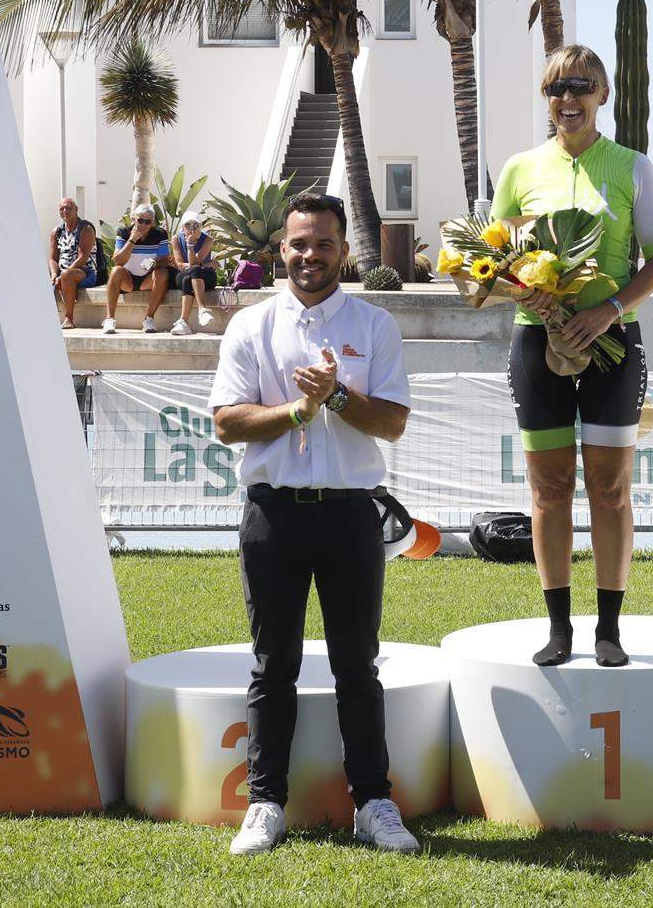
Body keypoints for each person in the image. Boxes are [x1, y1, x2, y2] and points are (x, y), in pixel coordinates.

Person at [210, 193, 417, 856]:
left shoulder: (373, 325)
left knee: (357, 665)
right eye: (298, 244)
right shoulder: (251, 327)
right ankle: (265, 803)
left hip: (351, 515)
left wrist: (335, 397)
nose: (309, 256)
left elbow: (391, 422)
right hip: (273, 515)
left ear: (342, 251)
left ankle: (373, 802)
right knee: (274, 665)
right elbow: (226, 423)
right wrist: (300, 411)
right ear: (281, 250)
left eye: (322, 244)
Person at [492, 44, 653, 668]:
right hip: (536, 338)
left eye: (580, 87)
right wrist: (538, 304)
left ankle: (610, 630)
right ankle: (559, 629)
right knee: (548, 489)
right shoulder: (519, 169)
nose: (567, 99)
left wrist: (609, 311)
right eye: (555, 89)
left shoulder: (633, 167)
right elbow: (493, 260)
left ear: (602, 95)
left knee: (609, 486)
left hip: (612, 340)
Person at [103, 204, 170, 335]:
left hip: (147, 279)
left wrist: (155, 263)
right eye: (140, 220)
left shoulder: (160, 234)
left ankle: (149, 318)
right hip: (127, 280)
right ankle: (109, 319)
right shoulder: (123, 232)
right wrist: (132, 240)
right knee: (116, 270)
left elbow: (165, 260)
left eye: (147, 221)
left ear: (152, 223)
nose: (143, 225)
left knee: (162, 273)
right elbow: (118, 260)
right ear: (133, 219)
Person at [48, 198, 98, 330]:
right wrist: (54, 274)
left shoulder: (85, 228)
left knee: (66, 275)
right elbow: (53, 259)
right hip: (64, 274)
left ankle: (68, 318)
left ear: (76, 210)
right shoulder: (57, 232)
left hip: (86, 273)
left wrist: (63, 275)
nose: (65, 211)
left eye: (69, 208)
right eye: (62, 209)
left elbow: (83, 257)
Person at [170, 214, 219, 336]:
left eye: (195, 225)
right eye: (188, 225)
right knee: (192, 272)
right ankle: (202, 309)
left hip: (204, 277)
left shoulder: (207, 240)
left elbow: (194, 263)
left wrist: (191, 249)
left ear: (200, 226)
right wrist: (191, 247)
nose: (191, 228)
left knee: (191, 275)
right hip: (188, 273)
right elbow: (180, 264)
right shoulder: (176, 239)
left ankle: (184, 322)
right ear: (182, 227)